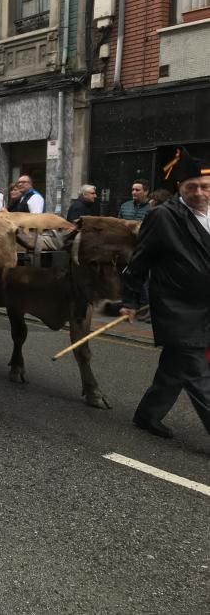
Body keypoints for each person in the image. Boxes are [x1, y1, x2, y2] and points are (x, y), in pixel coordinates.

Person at [120, 148, 210, 439]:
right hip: (176, 308)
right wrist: (130, 300)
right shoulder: (163, 216)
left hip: (205, 307)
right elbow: (139, 260)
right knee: (198, 373)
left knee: (175, 368)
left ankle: (147, 415)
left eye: (205, 186)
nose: (199, 192)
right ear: (179, 188)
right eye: (191, 187)